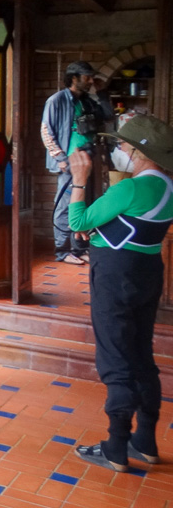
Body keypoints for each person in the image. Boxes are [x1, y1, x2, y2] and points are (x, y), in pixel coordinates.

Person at [67, 114, 173, 471]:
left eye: (123, 145)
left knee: (114, 358)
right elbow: (135, 226)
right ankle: (145, 440)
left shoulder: (129, 188)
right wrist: (101, 230)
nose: (119, 150)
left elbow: (78, 221)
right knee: (141, 353)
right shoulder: (167, 187)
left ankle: (115, 446)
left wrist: (79, 179)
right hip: (147, 274)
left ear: (139, 152)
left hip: (115, 277)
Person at [40, 60, 113, 265]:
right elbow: (46, 131)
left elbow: (107, 117)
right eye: (86, 76)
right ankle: (63, 251)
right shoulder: (56, 100)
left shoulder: (87, 101)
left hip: (88, 160)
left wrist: (103, 93)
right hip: (69, 163)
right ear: (74, 78)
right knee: (65, 207)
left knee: (85, 205)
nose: (90, 80)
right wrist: (60, 158)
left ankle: (79, 248)